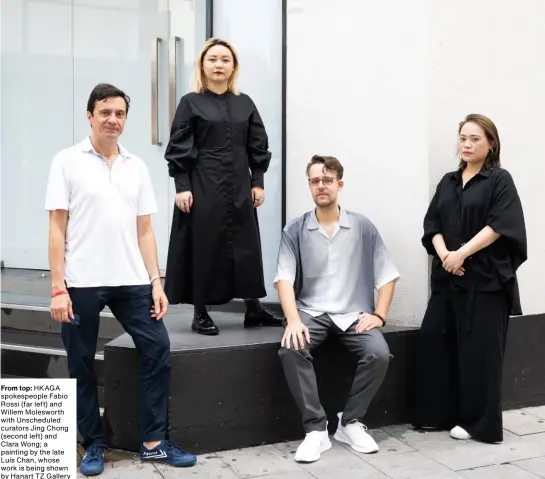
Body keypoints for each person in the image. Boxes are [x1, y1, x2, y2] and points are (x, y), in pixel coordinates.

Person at [45, 83, 197, 475]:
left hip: (132, 281)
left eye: (120, 114)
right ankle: (93, 442)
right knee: (80, 364)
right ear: (90, 116)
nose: (113, 119)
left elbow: (144, 229)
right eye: (105, 112)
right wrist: (58, 287)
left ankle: (153, 443)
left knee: (157, 349)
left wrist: (156, 281)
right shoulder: (66, 161)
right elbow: (57, 228)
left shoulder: (137, 166)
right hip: (81, 282)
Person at [275, 155, 400, 463]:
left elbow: (387, 276)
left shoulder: (362, 227)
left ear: (339, 184)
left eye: (327, 180)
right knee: (291, 348)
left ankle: (351, 422)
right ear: (309, 186)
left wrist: (380, 315)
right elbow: (284, 279)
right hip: (311, 312)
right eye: (315, 180)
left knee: (379, 353)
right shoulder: (295, 229)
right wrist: (292, 320)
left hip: (353, 314)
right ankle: (316, 430)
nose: (321, 185)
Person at [413, 114, 527, 443]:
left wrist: (461, 253)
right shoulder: (449, 182)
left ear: (491, 144)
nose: (466, 144)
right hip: (449, 279)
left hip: (486, 282)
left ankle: (479, 423)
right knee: (436, 341)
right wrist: (446, 255)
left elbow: (500, 225)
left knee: (481, 354)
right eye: (463, 137)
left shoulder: (499, 180)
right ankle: (440, 414)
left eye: (475, 139)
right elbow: (432, 225)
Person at [164, 37, 281, 335]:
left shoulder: (245, 103)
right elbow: (179, 146)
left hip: (240, 187)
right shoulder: (190, 102)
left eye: (225, 60)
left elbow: (258, 145)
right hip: (203, 186)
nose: (219, 64)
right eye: (213, 59)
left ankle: (253, 308)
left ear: (233, 67)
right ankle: (200, 311)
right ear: (202, 65)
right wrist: (182, 186)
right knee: (204, 245)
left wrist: (258, 182)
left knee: (245, 246)